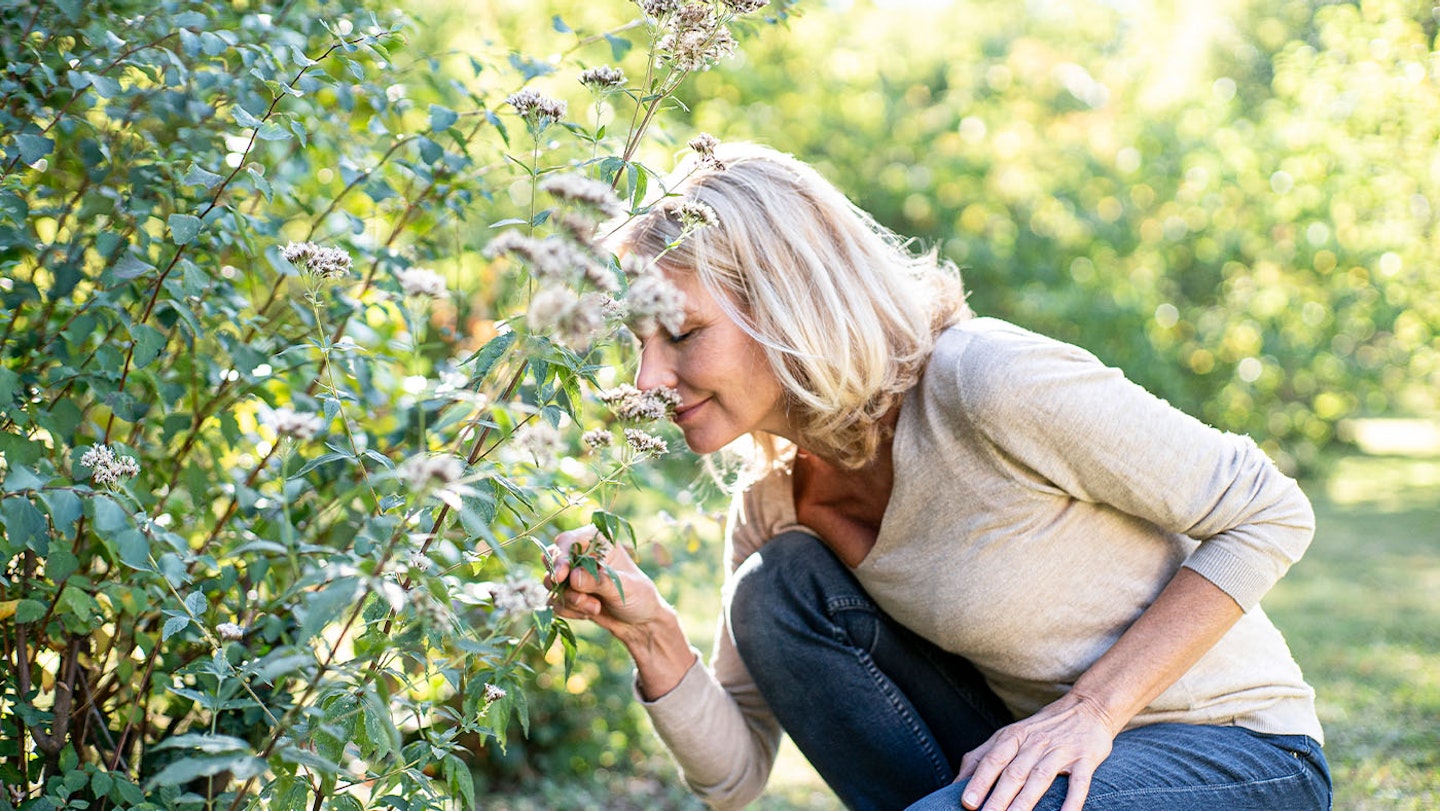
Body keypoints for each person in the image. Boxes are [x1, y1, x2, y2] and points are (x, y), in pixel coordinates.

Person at [544, 143, 1332, 811]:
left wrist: (1093, 708)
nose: (646, 379)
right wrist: (648, 629)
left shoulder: (986, 380)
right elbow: (736, 774)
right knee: (772, 581)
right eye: (636, 340)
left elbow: (1269, 510)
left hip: (1234, 753)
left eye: (681, 333)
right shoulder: (775, 501)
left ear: (787, 302)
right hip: (1027, 762)